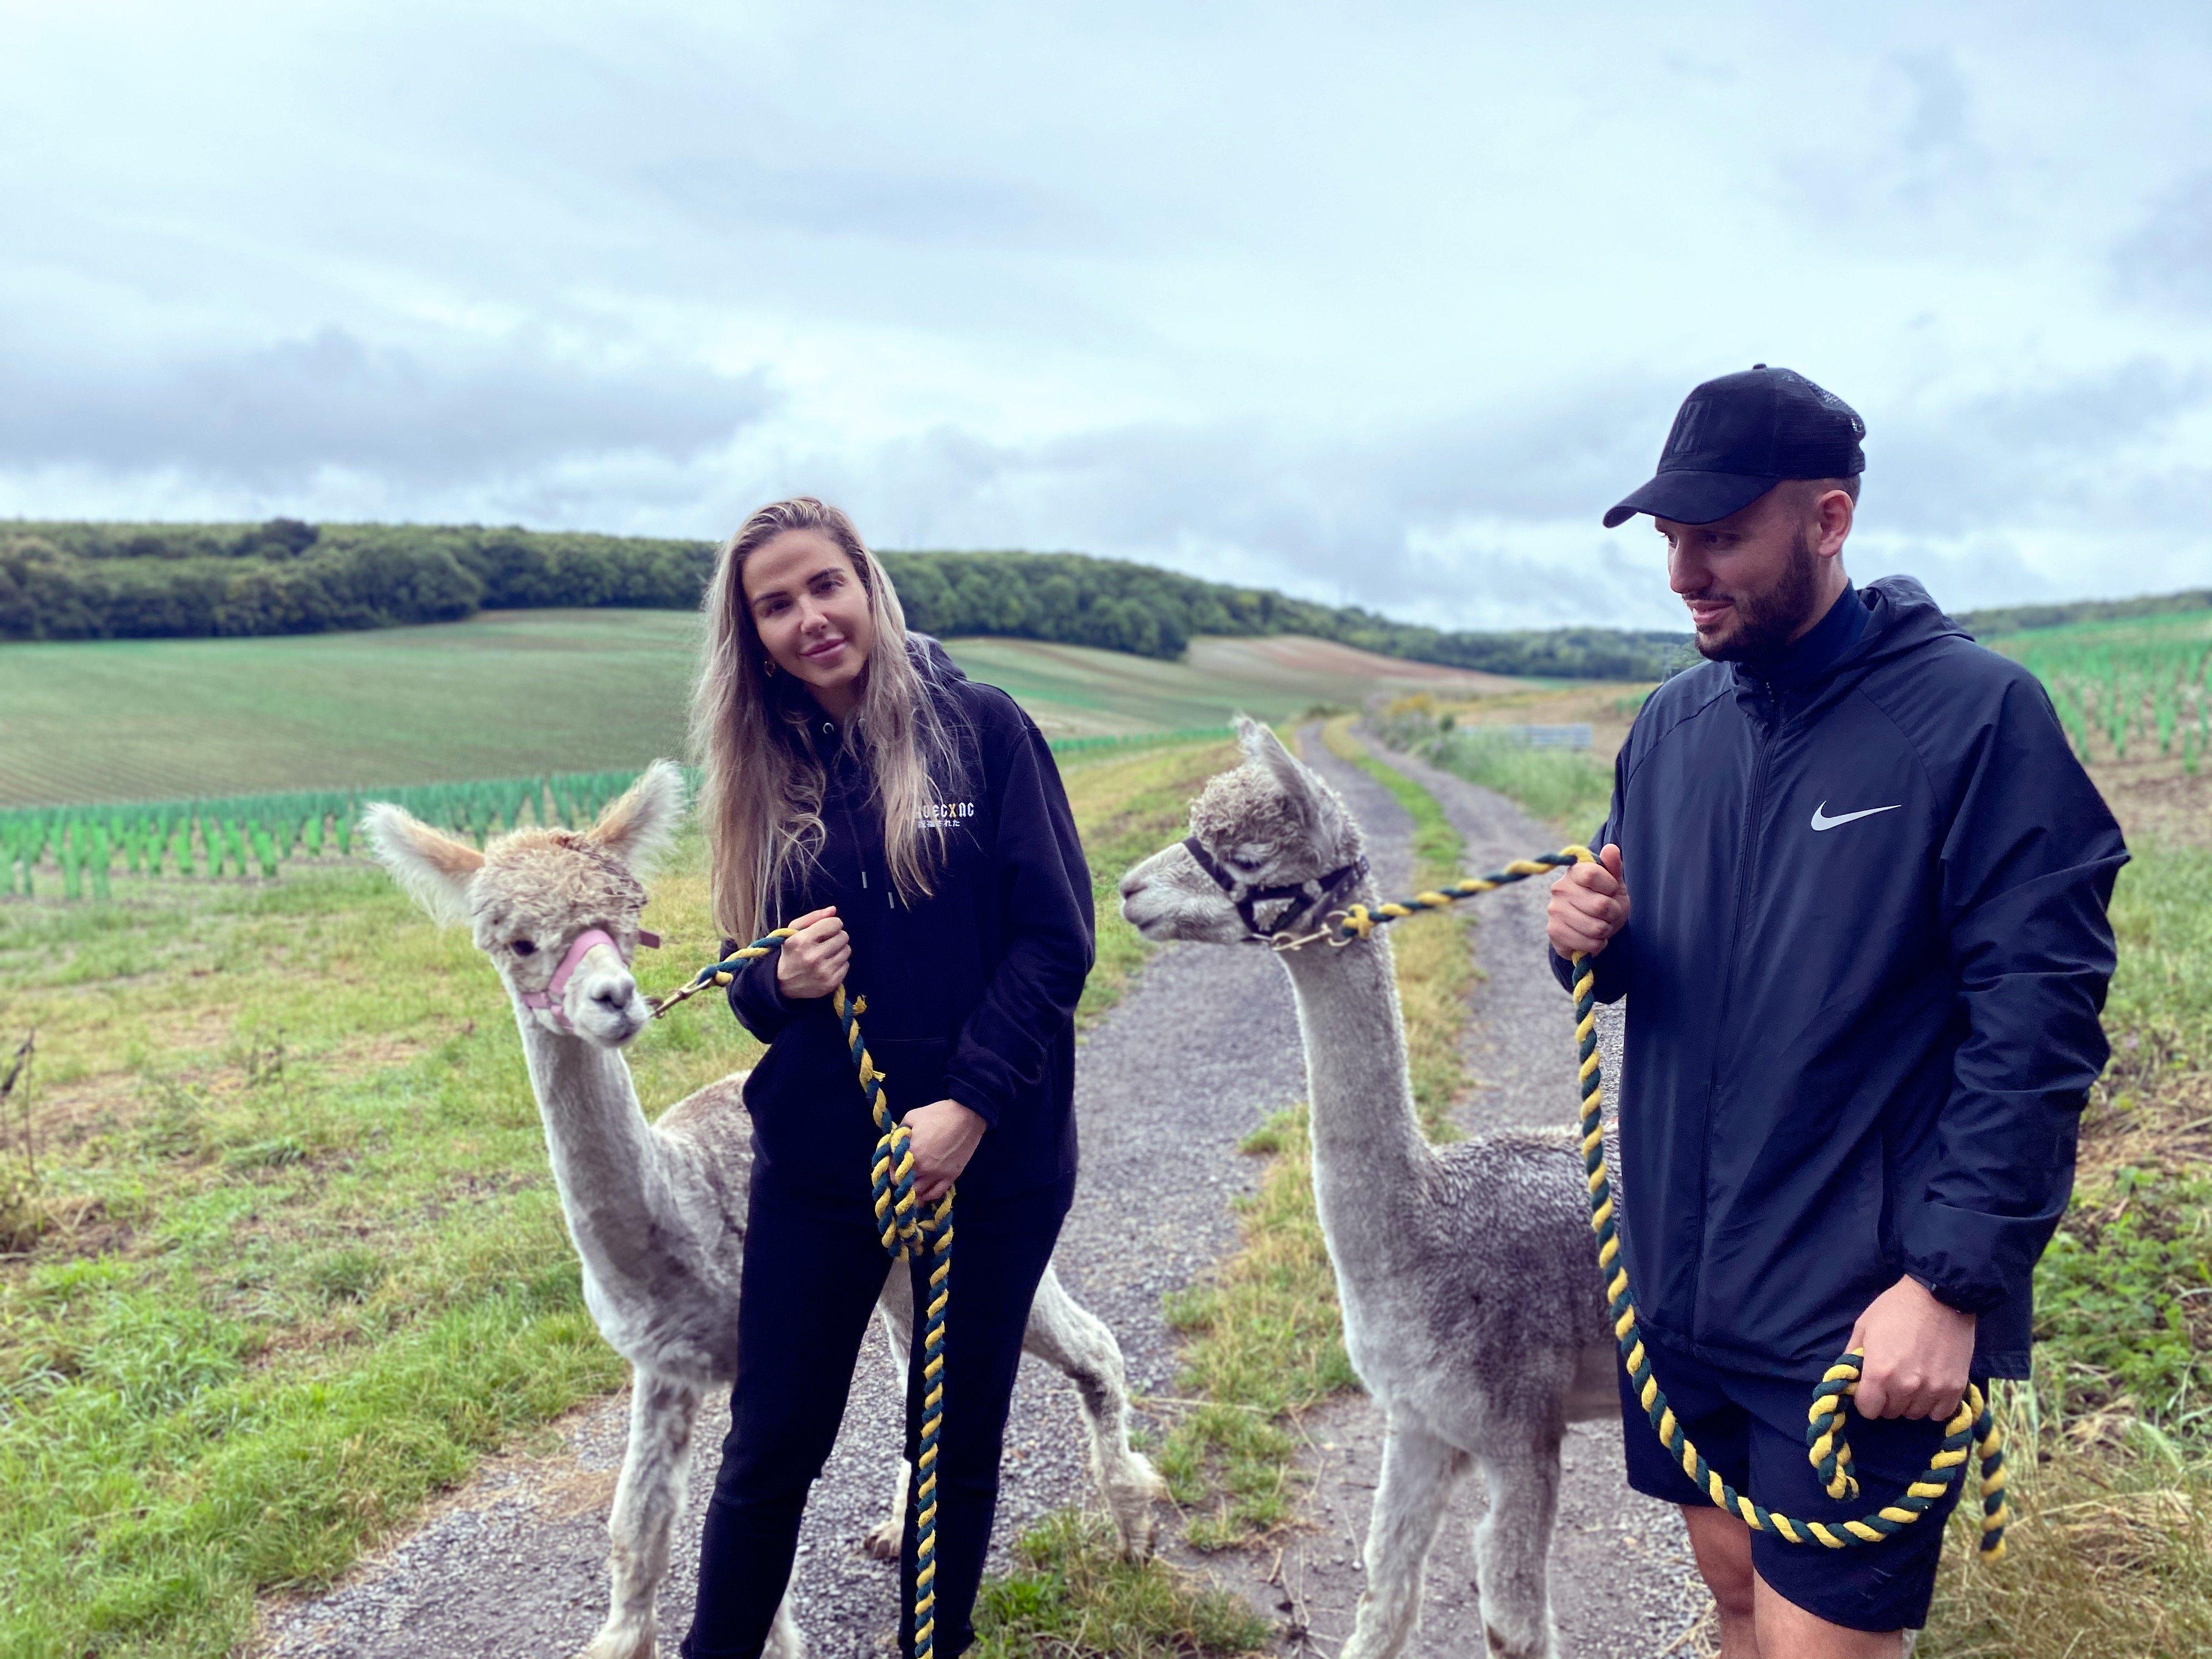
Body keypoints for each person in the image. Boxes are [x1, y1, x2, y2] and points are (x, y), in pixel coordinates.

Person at [1544, 367, 2127, 1657]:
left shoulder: (1977, 720)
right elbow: (1651, 933)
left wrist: (1950, 1286)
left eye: (1720, 537)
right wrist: (1590, 936)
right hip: (1680, 1295)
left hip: (1853, 1317)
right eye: (1670, 539)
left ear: (1829, 519)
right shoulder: (1672, 726)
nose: (1684, 575)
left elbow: (2039, 1033)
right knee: (1733, 1604)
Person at [678, 496, 1094, 1659]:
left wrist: (968, 1107)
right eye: (776, 604)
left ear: (866, 584)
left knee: (952, 1443)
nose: (810, 617)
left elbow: (1055, 941)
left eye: (826, 585)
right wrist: (778, 981)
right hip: (824, 1160)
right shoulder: (760, 774)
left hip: (994, 1156)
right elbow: (747, 978)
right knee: (771, 1444)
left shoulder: (983, 731)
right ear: (754, 636)